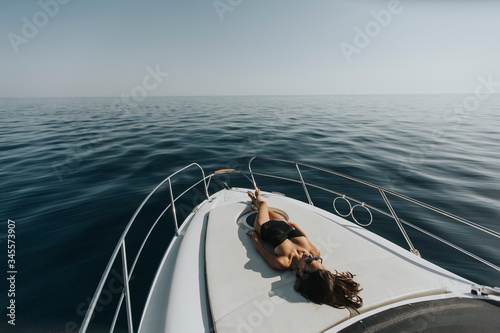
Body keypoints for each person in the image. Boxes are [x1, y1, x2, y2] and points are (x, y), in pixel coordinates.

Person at [246, 189, 363, 311]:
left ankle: (257, 198)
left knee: (264, 205)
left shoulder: (283, 262)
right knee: (267, 209)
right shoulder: (314, 252)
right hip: (284, 225)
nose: (309, 254)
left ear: (301, 272)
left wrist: (254, 236)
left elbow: (263, 251)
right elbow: (305, 238)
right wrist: (296, 227)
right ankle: (255, 202)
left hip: (264, 226)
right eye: (317, 259)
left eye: (308, 260)